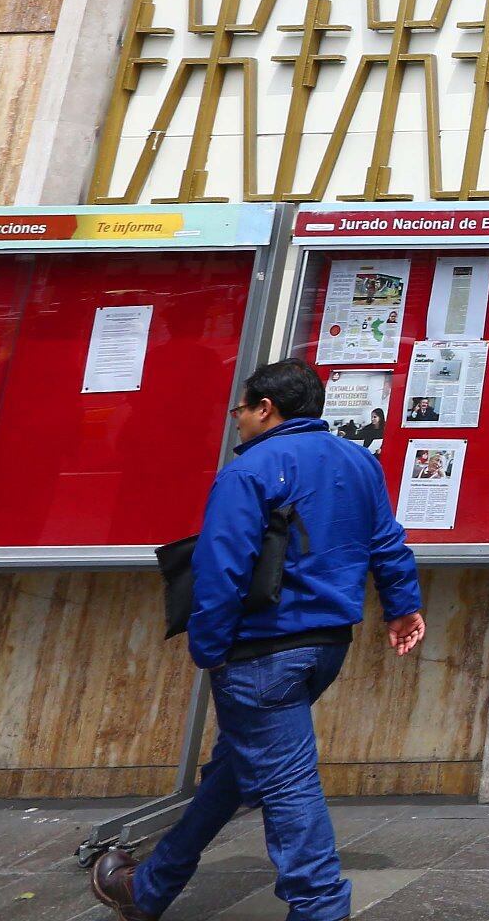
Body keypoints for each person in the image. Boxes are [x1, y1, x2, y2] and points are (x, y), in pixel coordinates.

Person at [90, 359, 426, 921]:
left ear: (265, 408)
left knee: (287, 779)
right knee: (238, 767)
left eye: (240, 409)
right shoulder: (360, 462)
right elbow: (387, 542)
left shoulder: (249, 471)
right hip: (326, 647)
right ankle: (149, 886)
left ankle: (320, 907)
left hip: (262, 649)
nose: (237, 421)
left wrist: (209, 644)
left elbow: (222, 566)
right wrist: (402, 606)